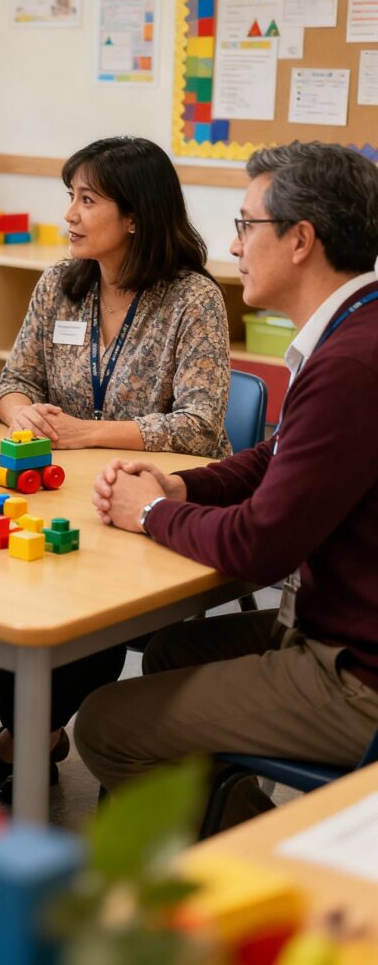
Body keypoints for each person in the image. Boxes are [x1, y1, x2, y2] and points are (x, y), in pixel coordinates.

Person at [79, 140, 378, 830]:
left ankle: (254, 869)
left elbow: (260, 547)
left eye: (248, 225)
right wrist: (186, 491)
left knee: (104, 724)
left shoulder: (350, 366)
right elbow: (279, 458)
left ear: (301, 240)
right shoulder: (355, 330)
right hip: (336, 630)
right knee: (170, 649)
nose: (235, 243)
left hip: (355, 675)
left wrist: (151, 511)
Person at [0, 136, 232, 804]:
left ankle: (27, 738)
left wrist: (88, 435)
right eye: (70, 197)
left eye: (88, 200)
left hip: (152, 508)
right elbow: (13, 380)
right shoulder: (61, 282)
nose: (71, 215)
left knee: (79, 612)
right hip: (60, 498)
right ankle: (37, 735)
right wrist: (22, 411)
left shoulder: (192, 298)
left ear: (137, 215)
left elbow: (201, 428)